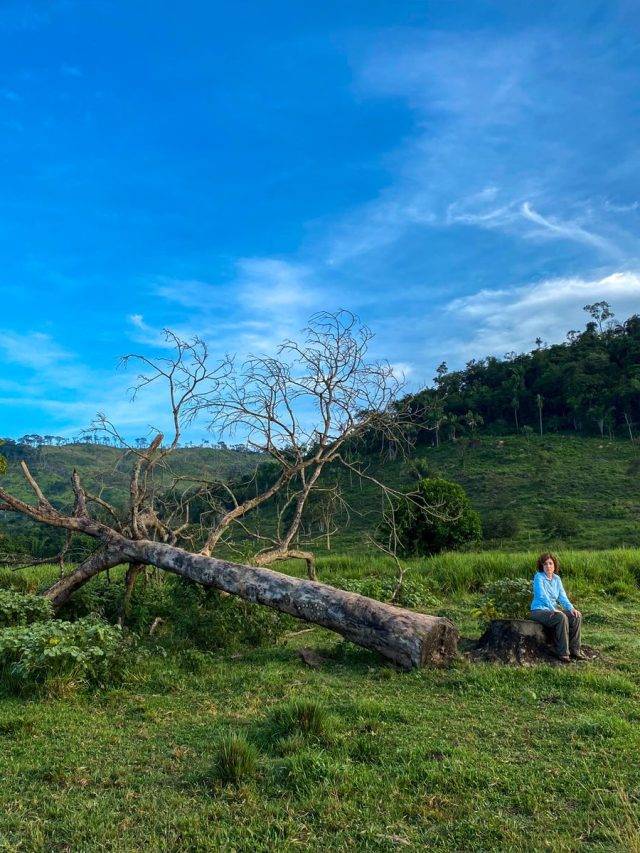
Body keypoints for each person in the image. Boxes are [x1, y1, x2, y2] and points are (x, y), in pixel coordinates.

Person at [530, 552, 585, 662]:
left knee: (576, 616)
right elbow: (541, 595)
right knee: (561, 617)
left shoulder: (557, 579)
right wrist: (553, 609)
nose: (548, 566)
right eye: (545, 564)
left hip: (551, 610)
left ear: (554, 565)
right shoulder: (539, 577)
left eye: (550, 563)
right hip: (538, 610)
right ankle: (562, 652)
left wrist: (571, 608)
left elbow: (562, 597)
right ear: (542, 566)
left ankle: (575, 650)